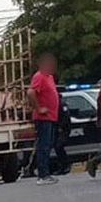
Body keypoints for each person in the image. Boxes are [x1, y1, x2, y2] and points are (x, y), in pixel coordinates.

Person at [26, 52, 60, 185]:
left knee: (48, 144)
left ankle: (45, 173)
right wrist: (39, 108)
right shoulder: (39, 76)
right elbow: (30, 92)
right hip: (43, 118)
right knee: (44, 145)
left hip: (51, 117)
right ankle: (43, 174)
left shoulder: (49, 77)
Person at [51, 92, 72, 176]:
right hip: (56, 128)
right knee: (57, 147)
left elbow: (66, 116)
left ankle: (66, 165)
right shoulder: (54, 104)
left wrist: (61, 126)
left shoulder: (61, 104)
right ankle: (62, 166)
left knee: (59, 146)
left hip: (63, 129)